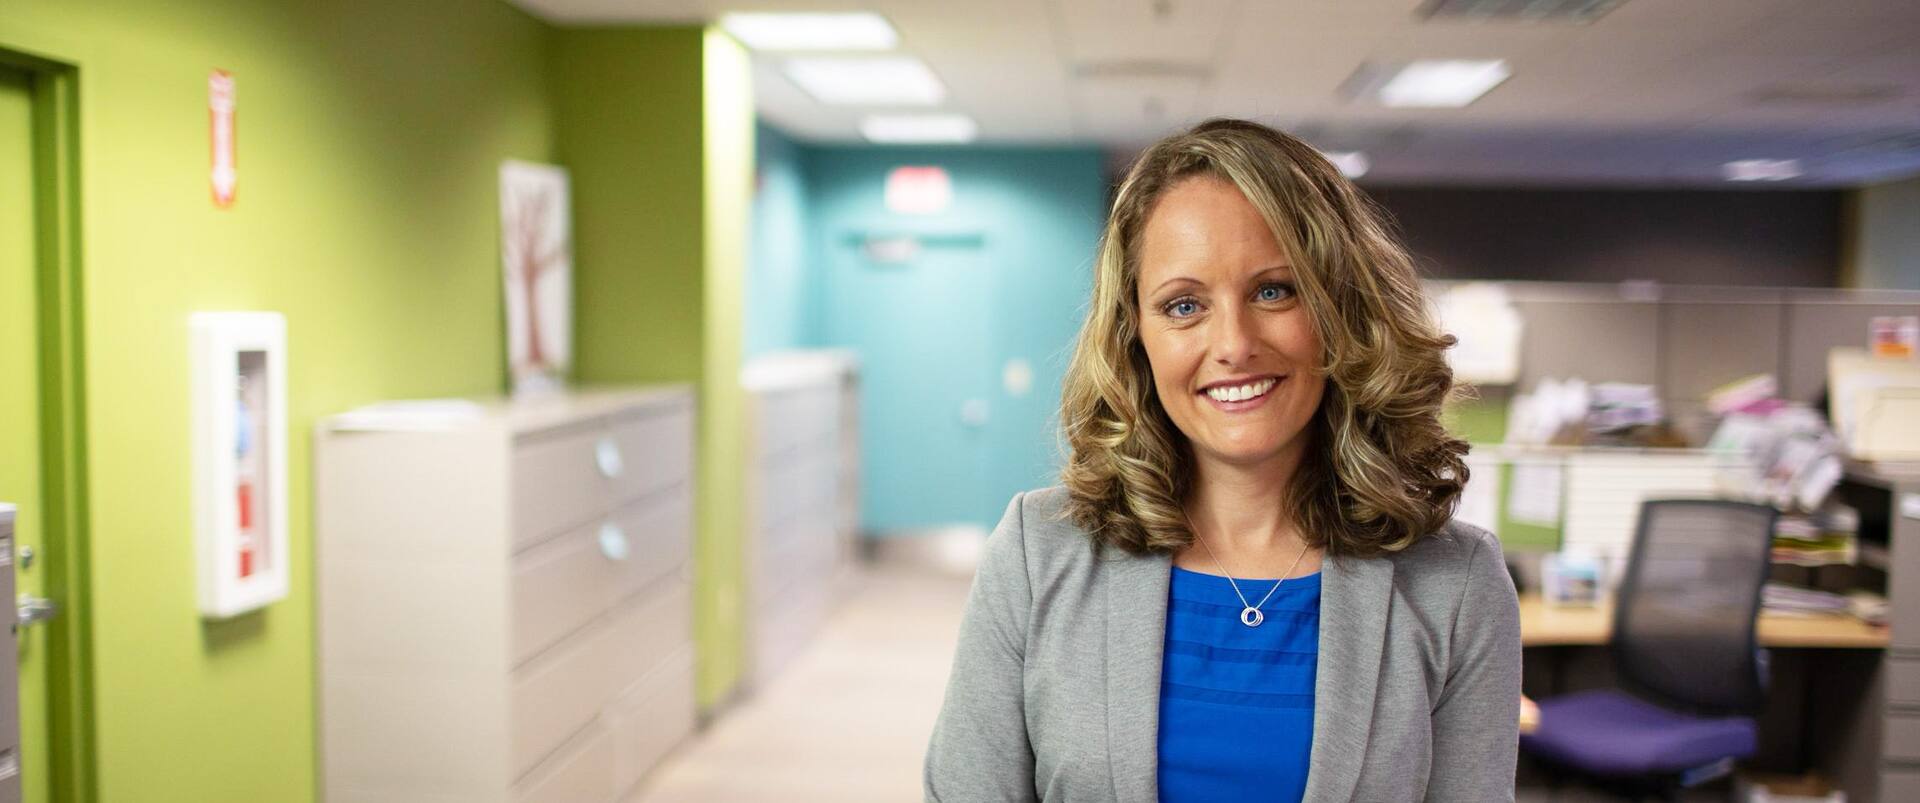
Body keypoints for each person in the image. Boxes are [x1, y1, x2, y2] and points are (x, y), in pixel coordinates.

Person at [923, 118, 1521, 802]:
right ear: (1135, 335)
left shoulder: (1456, 584)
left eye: (1274, 290)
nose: (1233, 343)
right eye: (1184, 305)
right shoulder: (1039, 552)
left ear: (1339, 307)